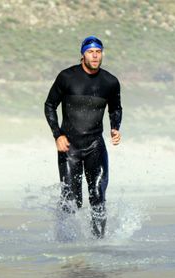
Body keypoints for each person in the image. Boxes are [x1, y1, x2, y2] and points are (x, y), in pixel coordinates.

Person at [44, 36, 123, 239]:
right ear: (83, 54)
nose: (95, 55)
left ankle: (98, 243)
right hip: (69, 147)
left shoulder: (110, 82)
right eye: (90, 52)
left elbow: (115, 108)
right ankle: (68, 242)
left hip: (95, 145)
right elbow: (50, 105)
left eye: (98, 51)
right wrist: (57, 135)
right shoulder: (67, 77)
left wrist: (115, 127)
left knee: (97, 194)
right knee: (72, 199)